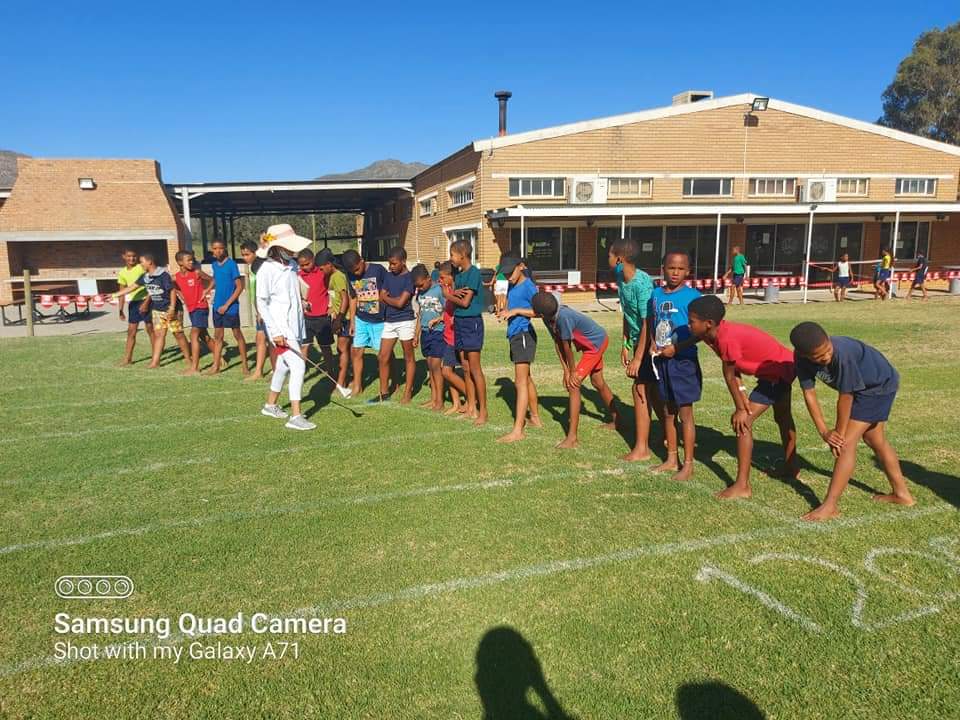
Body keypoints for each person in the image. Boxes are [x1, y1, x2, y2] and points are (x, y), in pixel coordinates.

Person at [667, 295, 799, 499]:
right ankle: (791, 467)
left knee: (743, 422)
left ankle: (742, 486)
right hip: (782, 366)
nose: (688, 324)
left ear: (708, 324)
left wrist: (740, 408)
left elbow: (730, 376)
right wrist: (676, 348)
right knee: (782, 418)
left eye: (691, 321)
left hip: (779, 372)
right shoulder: (711, 331)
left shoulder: (726, 339)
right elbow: (697, 337)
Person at [789, 321, 915, 521]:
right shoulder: (800, 358)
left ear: (829, 340)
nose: (826, 356)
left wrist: (838, 433)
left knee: (845, 445)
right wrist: (823, 431)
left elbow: (845, 397)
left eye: (827, 350)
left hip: (877, 387)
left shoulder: (843, 354)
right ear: (804, 355)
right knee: (875, 440)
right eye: (819, 357)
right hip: (863, 388)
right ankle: (902, 495)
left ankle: (829, 506)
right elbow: (809, 393)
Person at [531, 291, 618, 449]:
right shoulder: (547, 317)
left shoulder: (563, 317)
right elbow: (557, 343)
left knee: (573, 385)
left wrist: (572, 373)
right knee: (598, 382)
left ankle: (572, 438)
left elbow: (567, 347)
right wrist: (565, 370)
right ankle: (617, 420)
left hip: (595, 344)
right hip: (590, 345)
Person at [255, 224, 315, 431]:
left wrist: (303, 303)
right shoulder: (267, 270)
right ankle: (296, 416)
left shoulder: (291, 266)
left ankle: (270, 405)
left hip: (295, 324)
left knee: (283, 365)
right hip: (280, 327)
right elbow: (261, 302)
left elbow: (292, 293)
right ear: (277, 247)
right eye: (287, 247)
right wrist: (276, 332)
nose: (292, 251)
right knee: (298, 366)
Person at [648, 252, 702, 481]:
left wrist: (677, 349)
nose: (675, 273)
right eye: (671, 268)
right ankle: (671, 458)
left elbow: (702, 332)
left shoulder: (693, 296)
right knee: (667, 412)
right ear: (663, 268)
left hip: (683, 361)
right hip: (662, 361)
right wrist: (653, 343)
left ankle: (688, 463)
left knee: (684, 414)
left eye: (680, 269)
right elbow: (652, 321)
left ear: (688, 271)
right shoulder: (656, 294)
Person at [609, 237, 655, 462]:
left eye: (609, 254)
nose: (607, 258)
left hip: (652, 342)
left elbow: (648, 322)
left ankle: (642, 448)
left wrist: (638, 357)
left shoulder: (641, 283)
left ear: (619, 259)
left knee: (640, 392)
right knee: (646, 392)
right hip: (637, 342)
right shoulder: (620, 277)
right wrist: (626, 344)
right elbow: (628, 313)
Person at [495, 257, 542, 443]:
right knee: (527, 379)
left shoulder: (529, 286)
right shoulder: (512, 285)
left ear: (520, 267)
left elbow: (539, 311)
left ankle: (518, 430)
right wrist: (504, 311)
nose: (508, 277)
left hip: (524, 335)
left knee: (520, 382)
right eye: (505, 274)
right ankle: (536, 419)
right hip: (515, 335)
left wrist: (515, 312)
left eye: (510, 273)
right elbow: (512, 306)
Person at [113, 253, 190, 369]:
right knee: (159, 335)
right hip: (157, 310)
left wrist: (172, 308)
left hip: (171, 309)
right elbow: (132, 287)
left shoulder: (163, 275)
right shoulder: (145, 277)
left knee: (178, 334)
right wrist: (115, 294)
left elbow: (172, 291)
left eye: (142, 261)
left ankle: (188, 358)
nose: (141, 264)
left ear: (149, 262)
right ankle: (155, 362)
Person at [444, 240, 488, 425]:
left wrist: (448, 295)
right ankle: (471, 407)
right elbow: (457, 297)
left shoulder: (473, 273)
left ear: (463, 255)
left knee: (475, 368)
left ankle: (483, 411)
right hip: (459, 323)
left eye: (453, 255)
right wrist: (454, 294)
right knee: (465, 367)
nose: (451, 258)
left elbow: (464, 302)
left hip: (471, 323)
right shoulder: (459, 275)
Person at [343, 248, 388, 398]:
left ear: (362, 261)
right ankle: (357, 385)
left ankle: (391, 381)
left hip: (380, 320)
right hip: (361, 319)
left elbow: (387, 291)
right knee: (356, 351)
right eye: (352, 271)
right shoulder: (349, 274)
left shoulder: (378, 270)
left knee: (385, 354)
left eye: (357, 269)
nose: (356, 273)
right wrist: (353, 321)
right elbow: (353, 297)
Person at [377, 246, 417, 404]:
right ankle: (384, 391)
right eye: (389, 263)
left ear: (403, 261)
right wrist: (388, 299)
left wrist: (387, 298)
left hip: (405, 321)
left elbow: (401, 303)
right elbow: (382, 296)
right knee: (382, 356)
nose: (390, 266)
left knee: (408, 357)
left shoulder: (409, 278)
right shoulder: (388, 276)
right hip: (389, 321)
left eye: (393, 263)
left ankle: (408, 392)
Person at [208, 238, 249, 375]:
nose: (217, 251)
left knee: (237, 334)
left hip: (230, 308)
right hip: (217, 307)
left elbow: (239, 287)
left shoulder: (231, 264)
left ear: (224, 248)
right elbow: (215, 279)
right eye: (214, 248)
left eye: (220, 248)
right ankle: (216, 366)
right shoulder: (214, 265)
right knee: (218, 336)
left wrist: (227, 305)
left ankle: (245, 365)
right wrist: (207, 290)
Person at [173, 250, 215, 376]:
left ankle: (194, 368)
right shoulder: (176, 277)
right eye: (189, 260)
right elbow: (173, 287)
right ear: (180, 262)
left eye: (192, 260)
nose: (192, 262)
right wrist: (181, 296)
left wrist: (206, 291)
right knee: (204, 336)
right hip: (191, 308)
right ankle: (219, 358)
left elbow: (213, 280)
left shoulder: (196, 272)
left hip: (201, 307)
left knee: (194, 335)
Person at [317, 248, 352, 391]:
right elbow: (336, 298)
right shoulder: (331, 276)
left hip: (345, 317)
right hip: (339, 316)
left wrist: (339, 318)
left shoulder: (338, 276)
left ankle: (341, 382)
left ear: (329, 264)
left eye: (321, 268)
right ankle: (346, 375)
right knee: (344, 349)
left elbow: (345, 299)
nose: (320, 271)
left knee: (341, 349)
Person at [412, 263, 445, 411]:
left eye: (421, 285)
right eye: (417, 287)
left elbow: (448, 311)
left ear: (428, 278)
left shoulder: (439, 290)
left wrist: (439, 319)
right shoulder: (420, 294)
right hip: (426, 333)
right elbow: (420, 315)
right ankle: (433, 399)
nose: (419, 289)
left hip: (438, 332)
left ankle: (440, 400)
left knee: (436, 366)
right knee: (430, 366)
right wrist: (416, 334)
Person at [297, 248, 335, 374]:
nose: (304, 267)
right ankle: (300, 373)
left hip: (322, 317)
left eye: (307, 264)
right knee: (305, 346)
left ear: (313, 260)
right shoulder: (299, 275)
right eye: (301, 265)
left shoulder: (323, 272)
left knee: (325, 347)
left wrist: (331, 306)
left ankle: (330, 371)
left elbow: (333, 290)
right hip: (306, 317)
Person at [437, 261, 468, 415]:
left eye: (442, 278)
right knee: (449, 370)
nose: (439, 281)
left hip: (457, 337)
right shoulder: (448, 290)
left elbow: (462, 307)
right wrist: (440, 318)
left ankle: (471, 396)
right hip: (448, 336)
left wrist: (448, 295)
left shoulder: (456, 291)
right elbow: (448, 311)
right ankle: (456, 403)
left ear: (451, 277)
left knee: (447, 371)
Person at [239, 240, 272, 380]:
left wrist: (261, 311)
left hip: (266, 311)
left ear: (255, 253)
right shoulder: (252, 267)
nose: (244, 257)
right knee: (260, 339)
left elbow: (264, 293)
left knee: (269, 340)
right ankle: (259, 371)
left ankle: (275, 369)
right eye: (243, 255)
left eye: (247, 254)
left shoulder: (260, 267)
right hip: (259, 310)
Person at [116, 247, 154, 365]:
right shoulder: (122, 273)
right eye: (129, 256)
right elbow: (122, 292)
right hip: (133, 304)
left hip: (146, 301)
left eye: (134, 256)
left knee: (150, 329)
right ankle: (127, 359)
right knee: (131, 331)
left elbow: (151, 286)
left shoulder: (141, 268)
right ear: (124, 257)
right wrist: (121, 309)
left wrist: (146, 302)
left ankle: (155, 357)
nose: (131, 258)